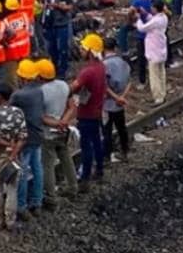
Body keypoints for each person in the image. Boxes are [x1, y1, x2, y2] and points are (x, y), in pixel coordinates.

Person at [37, 58, 78, 205]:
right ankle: (73, 187)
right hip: (63, 131)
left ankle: (51, 195)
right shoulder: (63, 85)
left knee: (47, 164)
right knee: (66, 157)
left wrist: (56, 123)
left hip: (48, 133)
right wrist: (64, 122)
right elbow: (72, 106)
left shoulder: (40, 92)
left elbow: (41, 117)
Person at [9, 60, 46, 217]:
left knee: (22, 172)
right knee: (37, 168)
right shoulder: (39, 91)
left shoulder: (19, 95)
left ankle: (22, 206)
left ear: (22, 77)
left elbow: (9, 111)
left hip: (24, 139)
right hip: (38, 135)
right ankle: (37, 202)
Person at [0, 85, 26, 229]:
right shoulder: (19, 112)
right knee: (12, 189)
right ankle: (11, 221)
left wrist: (7, 145)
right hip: (14, 157)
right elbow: (23, 136)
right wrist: (14, 152)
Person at [71, 33, 107, 184]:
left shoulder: (88, 71)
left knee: (86, 146)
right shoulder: (101, 67)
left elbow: (73, 87)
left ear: (90, 51)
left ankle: (85, 175)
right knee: (97, 141)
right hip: (97, 110)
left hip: (86, 113)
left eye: (84, 48)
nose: (81, 50)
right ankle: (99, 169)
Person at [135, 0, 170, 103]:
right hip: (161, 50)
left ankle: (158, 98)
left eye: (152, 7)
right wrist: (145, 14)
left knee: (154, 76)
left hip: (154, 52)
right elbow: (152, 20)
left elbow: (142, 28)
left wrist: (138, 19)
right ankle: (162, 94)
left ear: (155, 9)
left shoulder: (156, 20)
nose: (151, 9)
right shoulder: (163, 17)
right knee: (161, 73)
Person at [101, 38, 131, 163]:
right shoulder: (123, 62)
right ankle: (124, 151)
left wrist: (115, 97)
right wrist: (122, 97)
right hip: (120, 104)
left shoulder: (104, 65)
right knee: (121, 128)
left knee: (106, 130)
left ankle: (107, 155)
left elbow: (105, 86)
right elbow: (130, 82)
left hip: (108, 104)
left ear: (103, 49)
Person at [42, 0, 75, 79]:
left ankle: (63, 71)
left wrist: (58, 6)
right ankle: (54, 67)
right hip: (49, 23)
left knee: (62, 48)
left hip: (61, 23)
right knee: (51, 48)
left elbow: (69, 6)